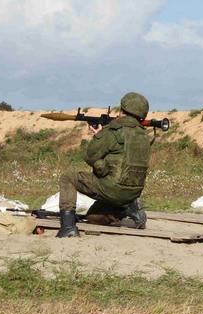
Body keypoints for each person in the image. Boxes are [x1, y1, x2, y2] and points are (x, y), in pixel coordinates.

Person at [56, 92, 152, 238]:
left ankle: (68, 227)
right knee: (93, 218)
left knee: (68, 177)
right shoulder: (144, 135)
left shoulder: (113, 131)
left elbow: (90, 156)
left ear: (122, 110)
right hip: (132, 193)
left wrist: (98, 136)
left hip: (111, 188)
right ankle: (128, 208)